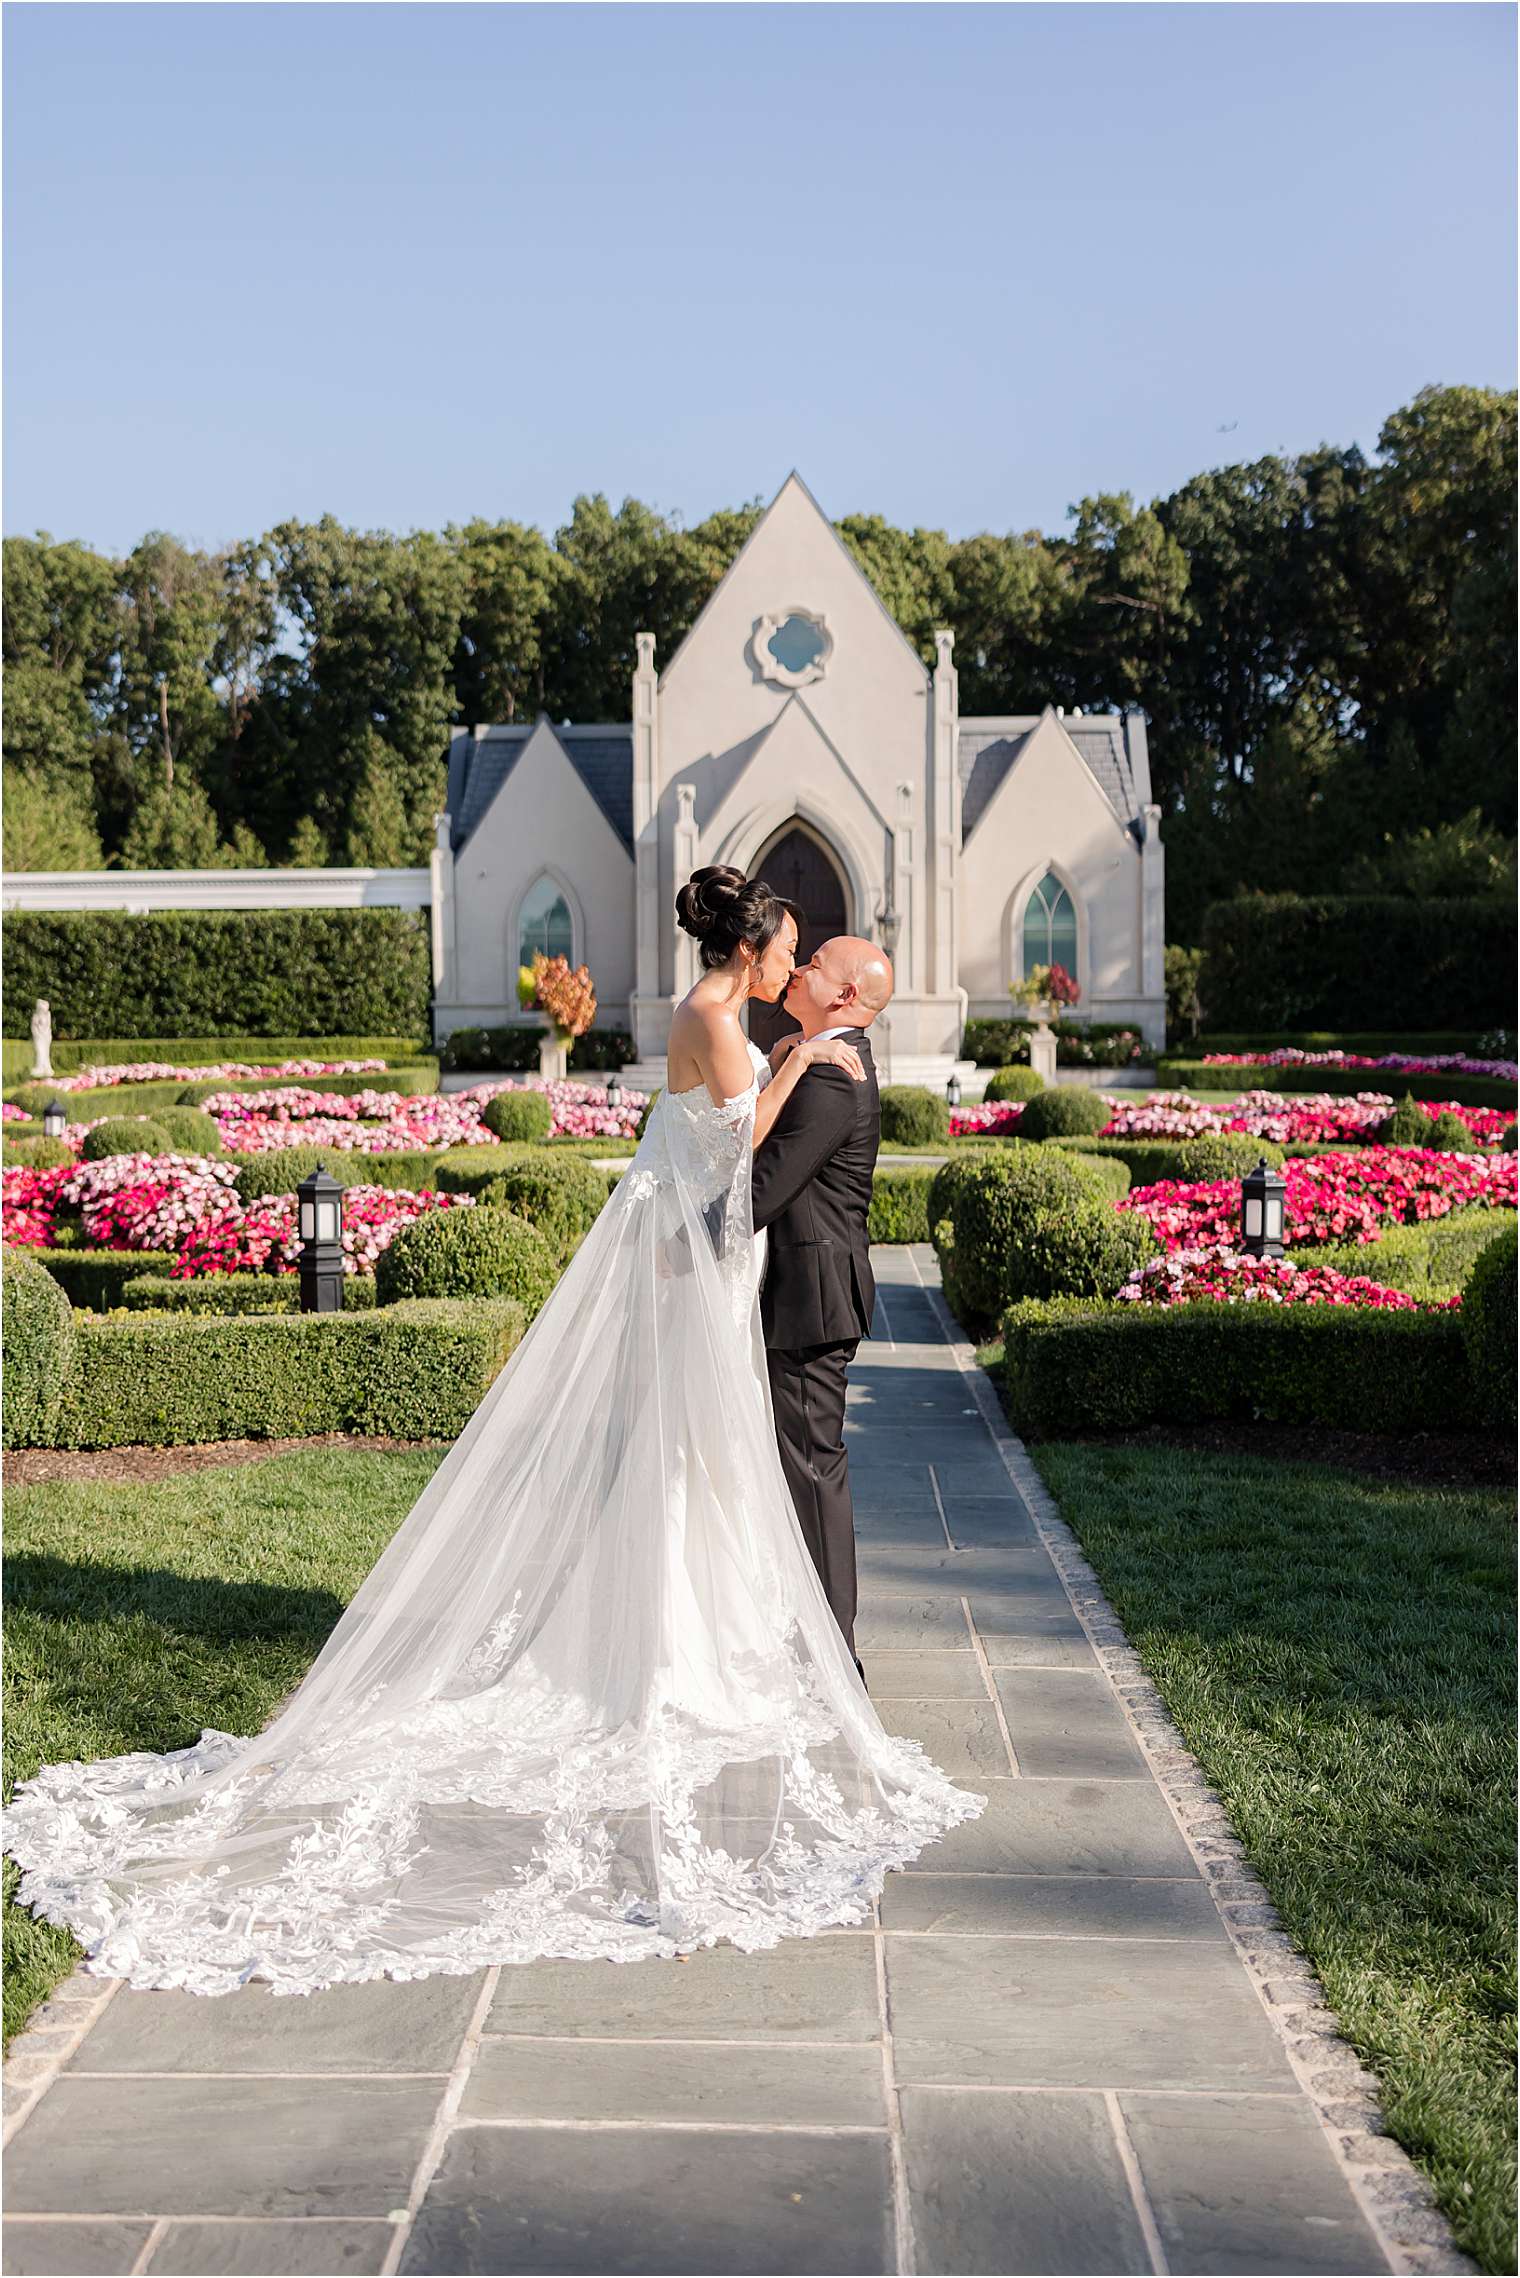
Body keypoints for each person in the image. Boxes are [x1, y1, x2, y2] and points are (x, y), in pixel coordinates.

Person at [3, 866, 982, 1996]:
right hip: (704, 1261)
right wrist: (800, 1061)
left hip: (717, 1265)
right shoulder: (725, 1026)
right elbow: (736, 1153)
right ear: (752, 952)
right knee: (692, 1454)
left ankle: (724, 1630)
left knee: (708, 1458)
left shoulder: (731, 1019)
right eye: (789, 950)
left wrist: (801, 1058)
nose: (795, 967)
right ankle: (682, 1647)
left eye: (809, 960)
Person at [750, 937, 893, 1685]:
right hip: (809, 1294)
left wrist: (673, 1230)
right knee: (800, 1468)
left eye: (815, 963)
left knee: (811, 1472)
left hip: (812, 1302)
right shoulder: (816, 1061)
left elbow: (762, 1190)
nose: (800, 967)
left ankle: (836, 1658)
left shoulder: (834, 1079)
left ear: (841, 995)